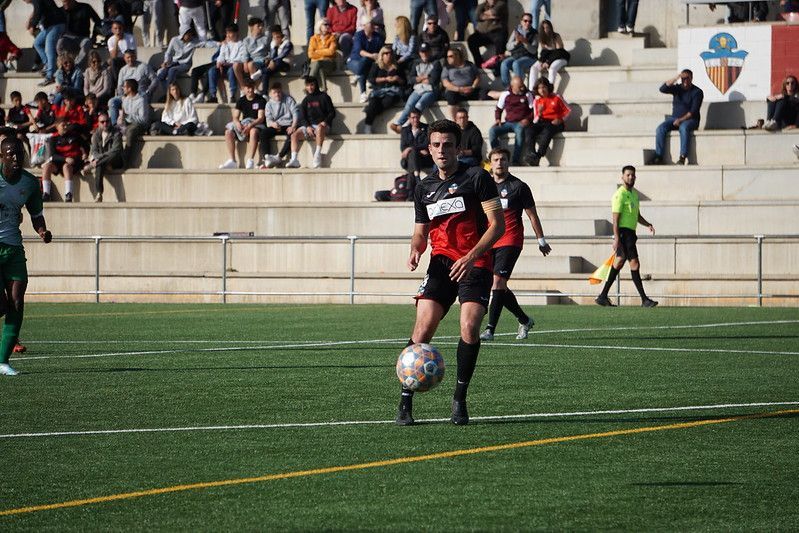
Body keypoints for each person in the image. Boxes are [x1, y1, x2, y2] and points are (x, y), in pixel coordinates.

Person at [396, 118, 505, 426]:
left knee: (469, 328)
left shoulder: (477, 178)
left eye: (447, 145)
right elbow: (421, 231)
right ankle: (405, 400)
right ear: (428, 149)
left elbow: (498, 226)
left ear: (458, 148)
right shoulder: (424, 187)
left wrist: (471, 257)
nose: (442, 150)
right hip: (442, 264)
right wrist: (416, 248)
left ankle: (459, 399)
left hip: (476, 262)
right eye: (436, 145)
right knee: (422, 331)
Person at [479, 147, 550, 341]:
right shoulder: (484, 186)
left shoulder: (519, 186)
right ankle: (524, 319)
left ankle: (490, 330)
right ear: (490, 163)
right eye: (496, 160)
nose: (499, 163)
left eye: (503, 159)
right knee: (497, 286)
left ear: (508, 162)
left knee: (497, 282)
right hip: (488, 240)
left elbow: (532, 215)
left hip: (511, 239)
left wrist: (541, 240)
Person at [0, 137, 52, 377]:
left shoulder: (30, 183)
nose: (15, 158)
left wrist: (42, 230)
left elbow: (36, 213)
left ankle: (3, 361)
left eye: (19, 153)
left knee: (17, 301)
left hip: (13, 247)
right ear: (1, 156)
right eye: (10, 153)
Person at [595, 165, 657, 308]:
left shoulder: (634, 194)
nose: (631, 177)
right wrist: (617, 238)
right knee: (634, 264)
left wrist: (647, 224)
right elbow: (615, 220)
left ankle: (603, 296)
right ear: (622, 177)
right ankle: (644, 299)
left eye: (633, 175)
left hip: (631, 234)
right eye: (628, 175)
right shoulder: (620, 195)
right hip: (623, 233)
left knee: (619, 262)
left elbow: (637, 215)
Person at [649, 69, 703, 166]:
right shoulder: (678, 89)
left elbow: (693, 111)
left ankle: (682, 157)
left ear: (691, 78)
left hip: (691, 120)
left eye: (687, 78)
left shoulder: (697, 92)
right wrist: (676, 77)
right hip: (674, 119)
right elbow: (662, 89)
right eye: (683, 79)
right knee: (660, 128)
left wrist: (681, 120)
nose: (685, 81)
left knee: (683, 128)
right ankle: (658, 156)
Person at [389, 42, 441, 134]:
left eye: (426, 51)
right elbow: (411, 79)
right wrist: (424, 77)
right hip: (418, 89)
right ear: (419, 53)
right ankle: (398, 123)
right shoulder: (416, 63)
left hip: (431, 90)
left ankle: (407, 126)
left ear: (430, 52)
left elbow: (433, 80)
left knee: (419, 105)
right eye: (422, 52)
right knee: (409, 105)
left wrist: (419, 78)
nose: (424, 54)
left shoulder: (436, 63)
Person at [287, 76, 336, 169]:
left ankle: (317, 154)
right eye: (308, 85)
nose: (310, 87)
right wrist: (308, 126)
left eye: (312, 85)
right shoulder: (306, 100)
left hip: (322, 126)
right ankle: (294, 160)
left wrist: (325, 122)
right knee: (294, 135)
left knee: (319, 128)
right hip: (309, 126)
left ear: (316, 85)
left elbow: (332, 113)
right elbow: (302, 117)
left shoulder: (324, 97)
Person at [219, 81, 266, 170]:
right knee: (228, 132)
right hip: (245, 124)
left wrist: (250, 126)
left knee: (253, 131)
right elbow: (235, 117)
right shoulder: (241, 100)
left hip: (257, 125)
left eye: (251, 87)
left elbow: (261, 118)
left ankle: (250, 160)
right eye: (247, 88)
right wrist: (238, 124)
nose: (250, 90)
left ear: (254, 88)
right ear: (243, 89)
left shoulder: (261, 100)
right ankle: (232, 161)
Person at [524, 77, 569, 166]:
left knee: (547, 130)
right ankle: (532, 154)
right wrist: (540, 113)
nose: (542, 90)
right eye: (539, 88)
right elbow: (535, 119)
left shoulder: (556, 97)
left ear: (548, 87)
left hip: (556, 122)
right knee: (529, 130)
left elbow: (568, 110)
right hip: (542, 121)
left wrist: (560, 119)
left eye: (544, 87)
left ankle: (539, 154)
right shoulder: (537, 100)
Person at [489, 75, 533, 165]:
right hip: (508, 122)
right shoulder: (505, 94)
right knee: (492, 131)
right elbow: (498, 109)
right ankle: (497, 155)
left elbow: (533, 110)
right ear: (512, 86)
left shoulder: (528, 94)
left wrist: (527, 119)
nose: (522, 88)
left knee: (520, 132)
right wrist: (498, 119)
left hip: (520, 123)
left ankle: (515, 160)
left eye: (522, 85)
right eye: (519, 86)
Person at [362, 46, 404, 134]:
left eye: (390, 53)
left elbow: (404, 81)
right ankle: (367, 126)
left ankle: (370, 111)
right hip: (378, 90)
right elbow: (371, 79)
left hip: (393, 91)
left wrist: (397, 79)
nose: (389, 55)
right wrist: (385, 79)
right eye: (386, 53)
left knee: (387, 101)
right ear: (382, 55)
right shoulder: (376, 65)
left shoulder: (397, 66)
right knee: (373, 103)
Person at [41, 118, 84, 202]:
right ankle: (46, 193)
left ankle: (69, 194)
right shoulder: (53, 138)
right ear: (57, 127)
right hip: (59, 162)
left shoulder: (74, 136)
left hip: (72, 162)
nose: (65, 127)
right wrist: (65, 159)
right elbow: (52, 155)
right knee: (46, 167)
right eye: (63, 125)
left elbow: (83, 147)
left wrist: (84, 154)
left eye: (66, 125)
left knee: (66, 167)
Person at [26, 0, 67, 86]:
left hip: (56, 25)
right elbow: (38, 11)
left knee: (49, 49)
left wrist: (32, 25)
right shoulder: (38, 2)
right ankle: (48, 65)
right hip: (50, 26)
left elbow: (38, 12)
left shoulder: (36, 1)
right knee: (37, 43)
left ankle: (50, 76)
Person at [108, 50, 156, 124]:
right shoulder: (123, 70)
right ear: (124, 58)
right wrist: (123, 96)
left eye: (132, 57)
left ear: (136, 56)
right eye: (128, 57)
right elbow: (119, 86)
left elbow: (155, 80)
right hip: (126, 96)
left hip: (140, 95)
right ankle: (115, 126)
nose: (130, 59)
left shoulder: (143, 67)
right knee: (112, 102)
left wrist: (148, 92)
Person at [155, 27, 202, 101]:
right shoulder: (174, 40)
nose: (190, 36)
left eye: (190, 34)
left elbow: (205, 43)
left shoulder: (194, 42)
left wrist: (219, 43)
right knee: (161, 75)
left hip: (185, 64)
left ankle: (168, 96)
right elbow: (168, 52)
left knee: (172, 70)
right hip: (174, 62)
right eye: (187, 35)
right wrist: (166, 61)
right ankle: (168, 93)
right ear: (183, 35)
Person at [347, 17, 385, 103]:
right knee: (364, 61)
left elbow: (381, 50)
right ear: (364, 26)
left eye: (372, 23)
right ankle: (363, 86)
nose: (372, 25)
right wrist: (372, 55)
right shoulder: (358, 35)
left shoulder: (378, 36)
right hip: (354, 61)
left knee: (365, 67)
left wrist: (377, 55)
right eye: (370, 23)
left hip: (369, 63)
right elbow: (360, 52)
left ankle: (362, 92)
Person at [260, 82, 298, 168]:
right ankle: (267, 157)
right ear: (270, 94)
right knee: (263, 133)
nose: (277, 94)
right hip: (276, 125)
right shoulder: (269, 104)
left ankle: (279, 156)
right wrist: (273, 124)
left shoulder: (289, 100)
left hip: (288, 124)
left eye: (279, 92)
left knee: (292, 135)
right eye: (274, 92)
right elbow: (268, 120)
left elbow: (295, 113)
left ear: (282, 92)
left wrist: (293, 126)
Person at [208, 23, 248, 104]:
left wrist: (229, 63)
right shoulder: (225, 44)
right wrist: (219, 62)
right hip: (224, 65)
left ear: (236, 33)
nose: (228, 35)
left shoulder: (242, 44)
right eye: (227, 33)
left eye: (230, 33)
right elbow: (221, 55)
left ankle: (232, 95)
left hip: (233, 66)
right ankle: (213, 95)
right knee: (212, 71)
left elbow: (242, 57)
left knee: (231, 70)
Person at [88, 112, 122, 202]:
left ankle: (95, 164)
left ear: (110, 121)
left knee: (113, 154)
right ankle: (99, 193)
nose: (105, 124)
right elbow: (94, 151)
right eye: (102, 122)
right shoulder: (96, 135)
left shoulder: (116, 133)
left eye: (107, 121)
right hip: (103, 161)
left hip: (115, 161)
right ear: (98, 123)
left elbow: (115, 150)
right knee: (99, 166)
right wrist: (100, 159)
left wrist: (99, 159)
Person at [57, 0, 101, 68]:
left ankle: (76, 67)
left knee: (87, 43)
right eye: (63, 2)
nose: (64, 4)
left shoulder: (85, 7)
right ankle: (65, 65)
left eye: (66, 2)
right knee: (60, 44)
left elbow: (98, 21)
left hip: (83, 37)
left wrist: (94, 35)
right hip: (68, 38)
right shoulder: (61, 11)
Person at [117, 78, 151, 167]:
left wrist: (127, 116)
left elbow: (143, 119)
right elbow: (123, 117)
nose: (122, 88)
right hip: (127, 124)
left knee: (130, 131)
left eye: (124, 86)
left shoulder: (141, 100)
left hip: (139, 125)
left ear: (129, 88)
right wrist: (121, 119)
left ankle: (125, 159)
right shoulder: (125, 100)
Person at [441, 47, 481, 120]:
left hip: (470, 90)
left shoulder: (470, 65)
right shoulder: (447, 68)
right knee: (450, 95)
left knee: (485, 93)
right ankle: (454, 122)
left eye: (450, 56)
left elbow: (477, 77)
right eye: (447, 56)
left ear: (457, 55)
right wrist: (460, 89)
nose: (447, 58)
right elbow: (445, 83)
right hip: (455, 92)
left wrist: (473, 87)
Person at [500, 12, 537, 88]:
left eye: (530, 21)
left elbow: (533, 51)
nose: (527, 23)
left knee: (516, 64)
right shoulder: (516, 31)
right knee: (504, 64)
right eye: (525, 21)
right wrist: (516, 42)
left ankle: (520, 87)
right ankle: (507, 88)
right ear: (521, 21)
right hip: (516, 55)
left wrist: (525, 42)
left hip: (529, 57)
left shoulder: (534, 33)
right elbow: (508, 46)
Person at [254, 25, 294, 95]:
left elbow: (282, 56)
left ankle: (261, 71)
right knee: (265, 72)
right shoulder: (273, 43)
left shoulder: (287, 43)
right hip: (274, 66)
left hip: (285, 65)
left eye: (276, 35)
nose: (275, 37)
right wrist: (275, 47)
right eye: (273, 35)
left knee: (277, 61)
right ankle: (264, 94)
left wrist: (273, 60)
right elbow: (272, 56)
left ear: (280, 33)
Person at [529, 20, 568, 88]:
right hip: (548, 58)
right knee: (533, 68)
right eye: (543, 28)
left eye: (547, 27)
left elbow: (559, 52)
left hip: (560, 58)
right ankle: (532, 90)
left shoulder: (556, 36)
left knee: (552, 69)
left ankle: (550, 90)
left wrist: (548, 62)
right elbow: (544, 52)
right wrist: (541, 61)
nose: (546, 29)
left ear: (550, 27)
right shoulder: (542, 38)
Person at [467, 0, 508, 67]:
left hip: (496, 32)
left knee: (501, 39)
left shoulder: (501, 4)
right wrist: (490, 16)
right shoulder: (482, 5)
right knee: (471, 40)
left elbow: (494, 12)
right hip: (482, 33)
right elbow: (476, 16)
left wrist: (483, 15)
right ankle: (479, 63)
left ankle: (498, 66)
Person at [400, 109, 432, 188]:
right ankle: (417, 176)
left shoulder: (426, 128)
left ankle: (410, 190)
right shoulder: (405, 130)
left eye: (417, 117)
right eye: (413, 117)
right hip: (408, 159)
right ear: (409, 118)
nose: (415, 120)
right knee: (413, 154)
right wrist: (417, 150)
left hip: (424, 158)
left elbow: (427, 144)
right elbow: (403, 147)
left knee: (412, 153)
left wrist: (410, 148)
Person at [308, 18, 338, 93]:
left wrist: (317, 52)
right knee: (320, 67)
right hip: (316, 64)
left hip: (329, 63)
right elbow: (310, 54)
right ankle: (324, 90)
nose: (328, 26)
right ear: (319, 26)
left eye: (329, 25)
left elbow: (331, 52)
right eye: (325, 24)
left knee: (319, 63)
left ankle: (309, 85)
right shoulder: (313, 38)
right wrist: (324, 52)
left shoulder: (332, 37)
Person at [243, 18, 270, 87]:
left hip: (263, 60)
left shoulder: (265, 39)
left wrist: (268, 58)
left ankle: (254, 87)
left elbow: (271, 51)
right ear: (252, 27)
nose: (261, 28)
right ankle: (255, 87)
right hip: (253, 60)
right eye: (258, 26)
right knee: (249, 64)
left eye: (262, 26)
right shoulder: (246, 40)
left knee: (250, 65)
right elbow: (245, 53)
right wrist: (245, 63)